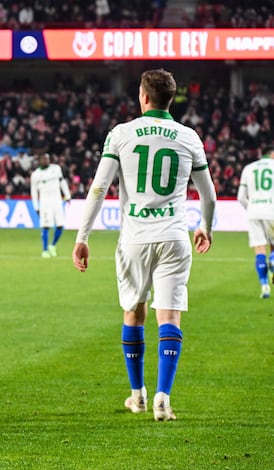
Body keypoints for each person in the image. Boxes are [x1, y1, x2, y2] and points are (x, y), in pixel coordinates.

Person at [72, 69, 217, 422]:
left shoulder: (121, 134)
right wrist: (205, 227)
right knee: (169, 316)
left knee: (133, 313)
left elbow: (98, 188)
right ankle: (163, 398)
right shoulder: (188, 137)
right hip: (173, 236)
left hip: (135, 238)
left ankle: (137, 395)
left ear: (143, 97)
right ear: (170, 99)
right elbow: (209, 195)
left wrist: (82, 237)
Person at [237, 149, 274, 299]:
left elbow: (240, 197)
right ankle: (272, 261)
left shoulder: (248, 168)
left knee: (259, 248)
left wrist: (251, 208)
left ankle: (264, 285)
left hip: (254, 212)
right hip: (272, 209)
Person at [31, 152, 70, 258]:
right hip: (45, 203)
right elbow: (34, 192)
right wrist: (36, 207)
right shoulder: (36, 175)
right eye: (44, 159)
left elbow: (62, 182)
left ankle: (52, 245)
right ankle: (44, 250)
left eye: (48, 158)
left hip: (57, 201)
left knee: (60, 225)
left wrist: (67, 195)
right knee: (46, 226)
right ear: (40, 161)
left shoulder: (56, 169)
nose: (46, 160)